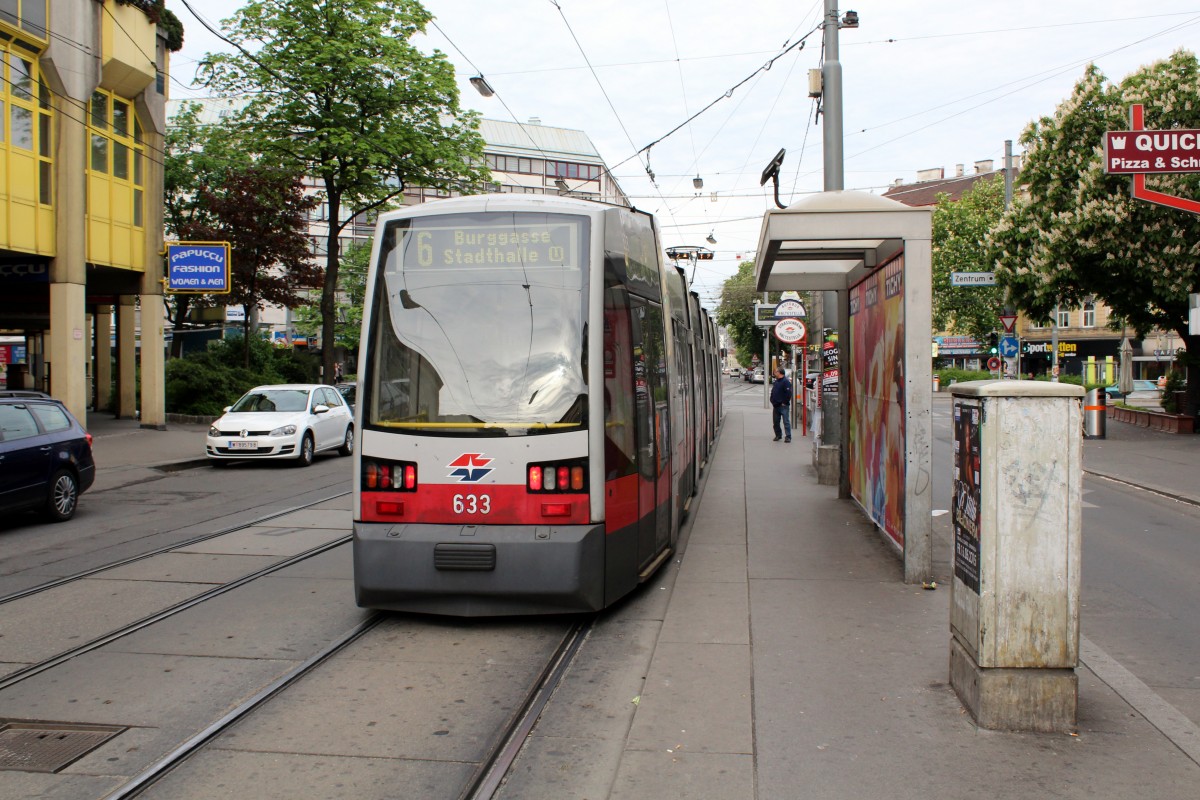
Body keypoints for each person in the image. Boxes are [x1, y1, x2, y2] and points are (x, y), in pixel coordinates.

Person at [770, 367, 792, 442]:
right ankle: (778, 435)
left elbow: (788, 393)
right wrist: (772, 400)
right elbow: (773, 391)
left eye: (775, 371)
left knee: (786, 421)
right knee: (776, 422)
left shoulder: (786, 381)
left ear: (780, 372)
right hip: (776, 405)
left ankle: (788, 436)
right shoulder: (776, 381)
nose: (774, 373)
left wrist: (784, 402)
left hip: (783, 405)